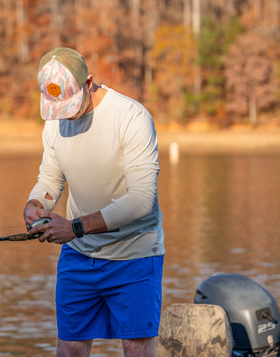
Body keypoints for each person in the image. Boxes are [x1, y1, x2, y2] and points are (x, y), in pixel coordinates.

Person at [23, 47, 164, 357]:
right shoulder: (56, 119)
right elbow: (50, 178)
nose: (64, 114)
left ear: (88, 83)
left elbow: (142, 200)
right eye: (56, 107)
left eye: (70, 104)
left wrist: (74, 227)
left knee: (136, 347)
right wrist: (35, 203)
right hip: (78, 257)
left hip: (134, 255)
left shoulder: (132, 117)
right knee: (70, 347)